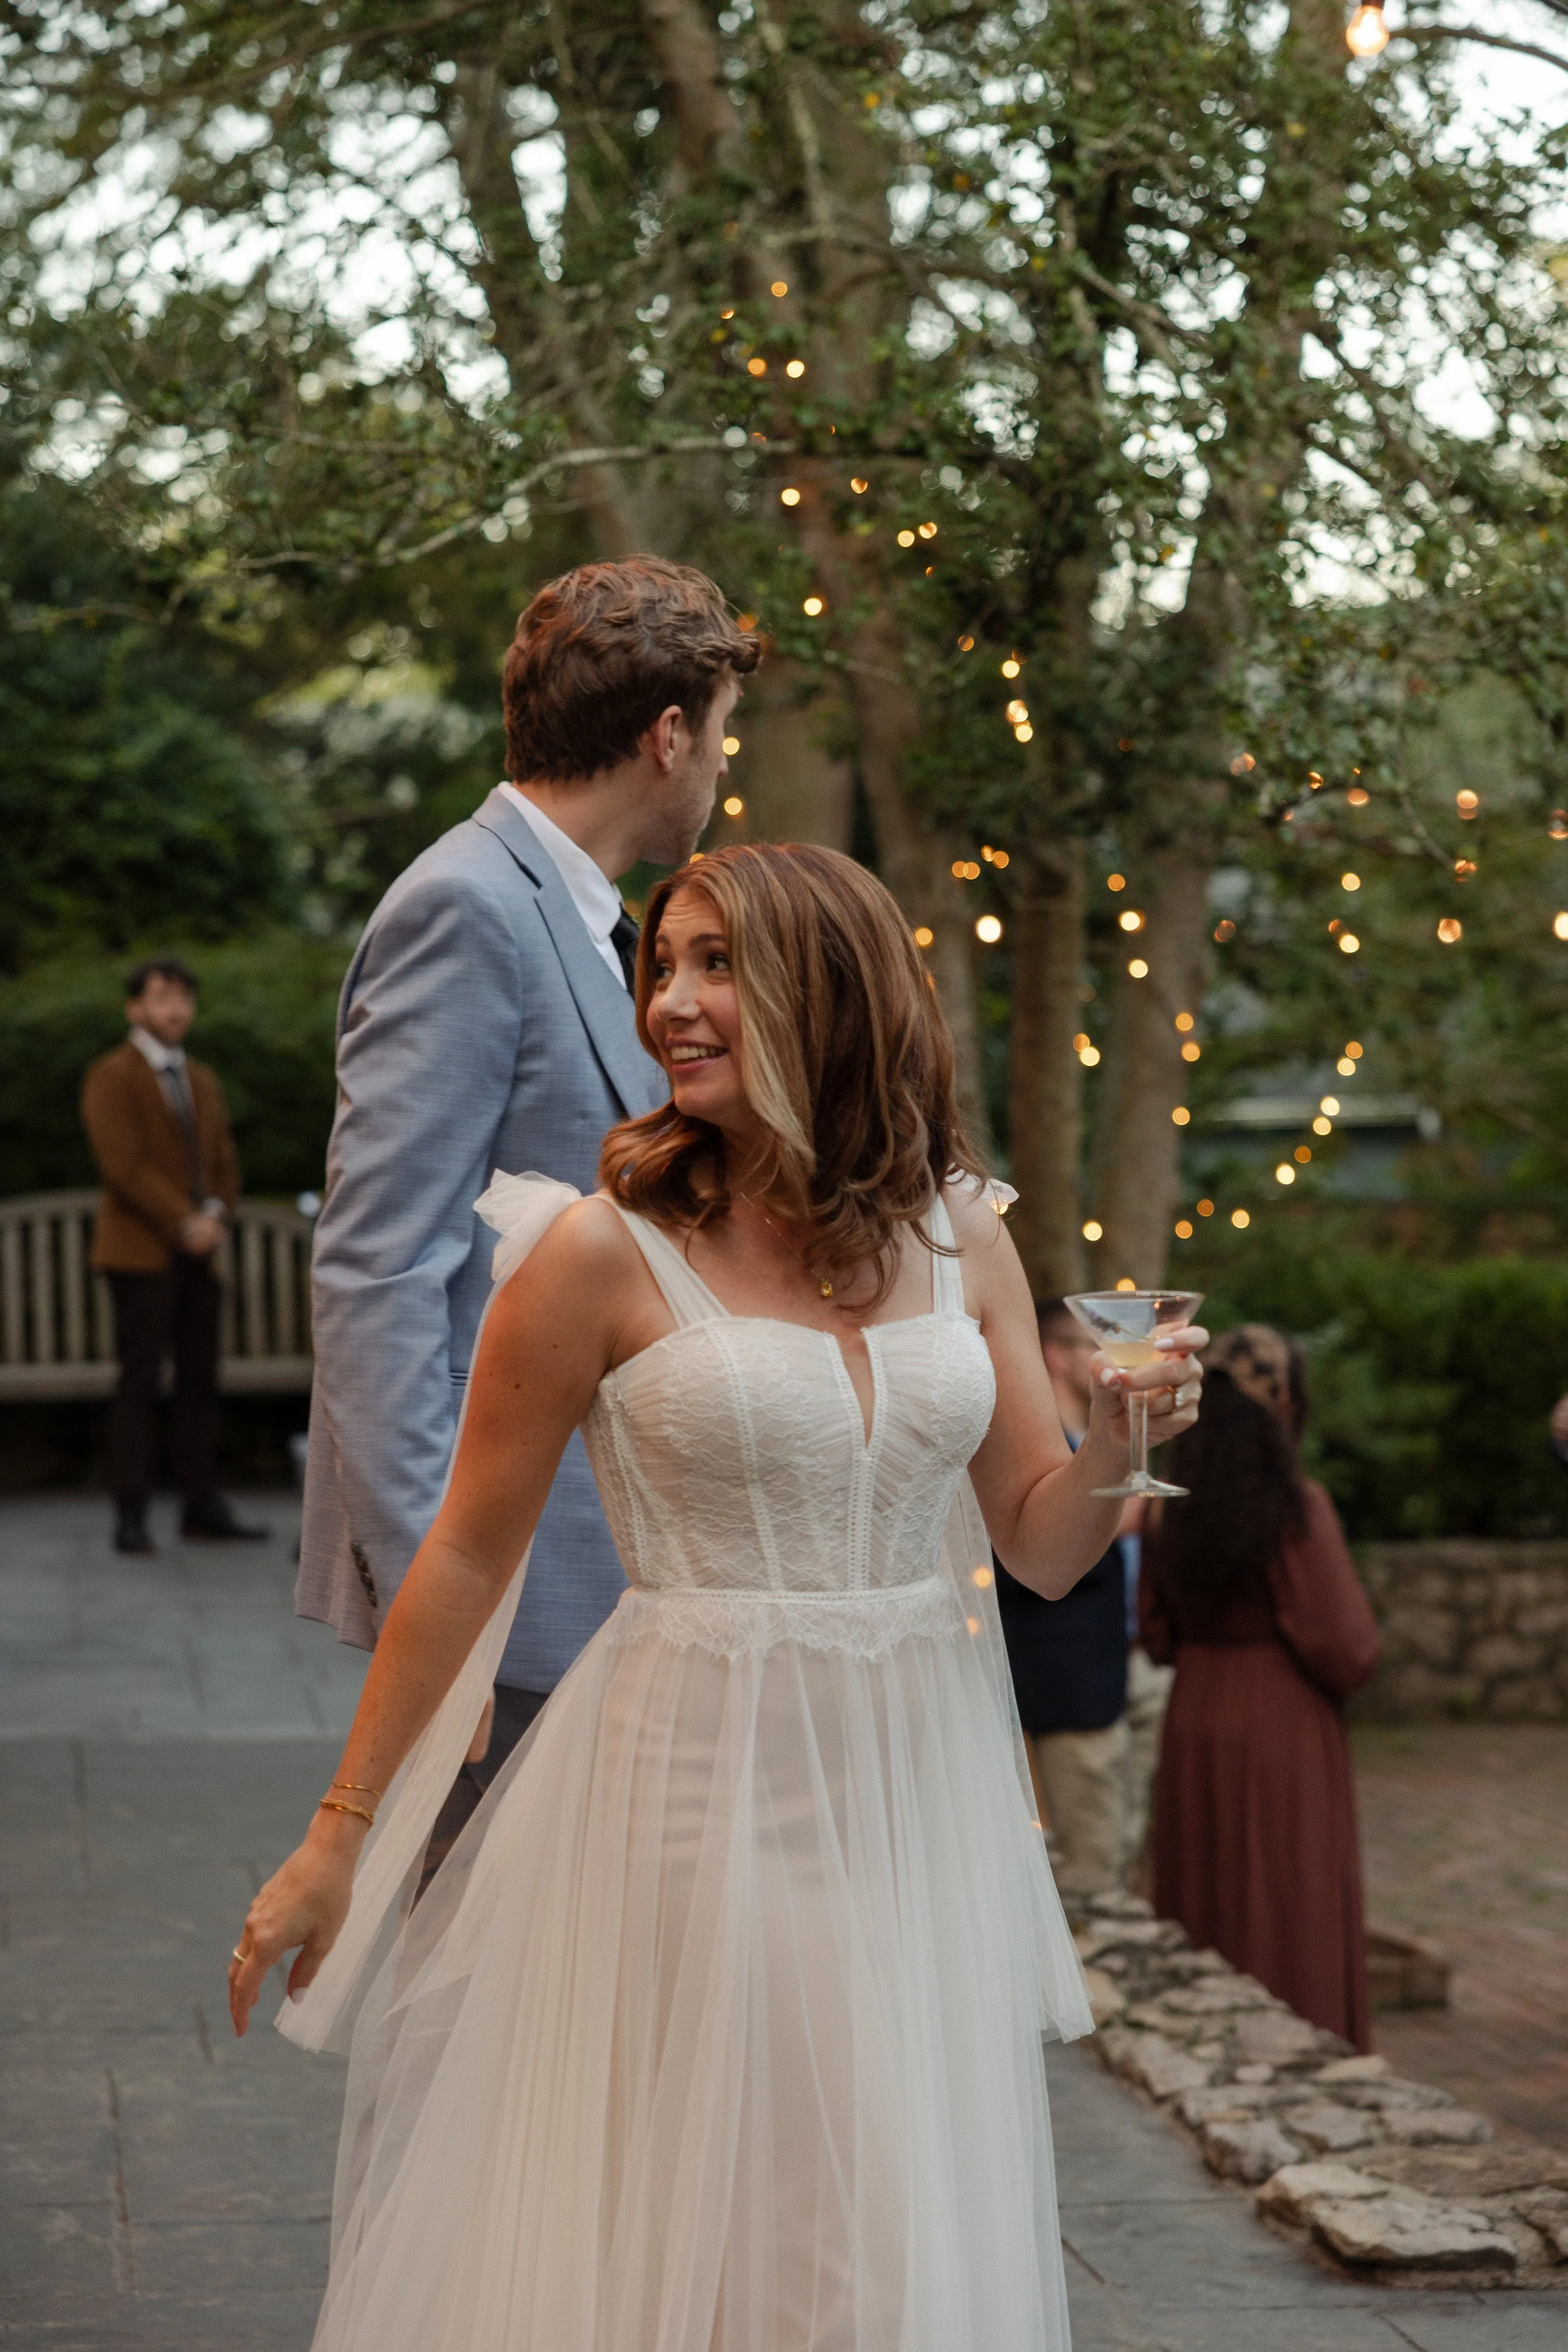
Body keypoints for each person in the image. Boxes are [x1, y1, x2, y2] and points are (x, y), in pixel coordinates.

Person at [230, 843, 1207, 2351]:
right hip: (702, 1784)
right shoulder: (596, 1253)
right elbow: (467, 1555)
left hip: (916, 1796)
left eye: (715, 964)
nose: (670, 1003)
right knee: (824, 2227)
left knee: (862, 2215)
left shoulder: (969, 1237)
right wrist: (339, 1833)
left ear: (833, 990)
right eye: (661, 965)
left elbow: (1039, 1538)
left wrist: (1125, 1448)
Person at [295, 558, 755, 1856]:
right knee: (494, 2036)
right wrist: (437, 1616)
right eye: (720, 735)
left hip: (614, 1582)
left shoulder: (589, 918)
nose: (722, 766)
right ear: (667, 735)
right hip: (512, 1603)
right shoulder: (467, 905)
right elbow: (377, 1269)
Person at [1141, 1323, 1380, 2049]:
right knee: (1288, 1894)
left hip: (1195, 1714)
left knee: (1207, 1892)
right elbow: (1347, 1647)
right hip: (1282, 1723)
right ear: (1288, 1406)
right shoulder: (1298, 1509)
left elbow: (1153, 1633)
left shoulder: (1163, 1506)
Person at [80, 956, 265, 1555]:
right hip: (140, 1255)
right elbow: (124, 1166)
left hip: (198, 1253)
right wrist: (182, 1221)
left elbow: (223, 1163)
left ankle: (200, 1506)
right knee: (139, 1382)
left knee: (199, 1382)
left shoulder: (202, 1080)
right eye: (162, 997)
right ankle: (130, 1514)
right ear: (135, 1007)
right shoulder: (111, 1076)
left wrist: (214, 1213)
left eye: (184, 997)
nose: (175, 1009)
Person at [994, 1298, 1139, 1898]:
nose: (1109, 1356)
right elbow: (1030, 1561)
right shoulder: (1037, 1445)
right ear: (1057, 1357)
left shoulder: (1088, 1435)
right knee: (1091, 1860)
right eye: (1093, 1344)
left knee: (1121, 1838)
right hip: (1067, 1678)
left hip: (1115, 1660)